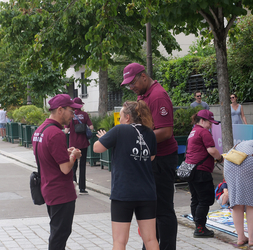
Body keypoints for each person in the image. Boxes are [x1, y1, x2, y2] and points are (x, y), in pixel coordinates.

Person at [121, 63, 178, 249]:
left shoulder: (157, 96)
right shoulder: (143, 95)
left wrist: (136, 137)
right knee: (151, 209)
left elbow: (166, 131)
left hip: (162, 159)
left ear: (143, 76)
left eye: (133, 83)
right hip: (150, 158)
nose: (131, 87)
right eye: (129, 85)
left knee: (163, 210)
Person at [93, 101, 159, 250]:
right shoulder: (150, 134)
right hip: (147, 193)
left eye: (121, 116)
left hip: (123, 193)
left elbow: (97, 148)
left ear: (128, 117)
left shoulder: (119, 130)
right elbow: (151, 158)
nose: (120, 119)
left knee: (120, 241)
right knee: (150, 239)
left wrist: (105, 138)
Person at [32, 94, 82, 250]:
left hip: (48, 188)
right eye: (71, 111)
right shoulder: (56, 133)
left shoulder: (40, 130)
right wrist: (74, 155)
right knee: (60, 235)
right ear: (60, 110)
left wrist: (64, 152)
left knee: (57, 232)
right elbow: (66, 168)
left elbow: (46, 155)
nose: (73, 115)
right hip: (61, 192)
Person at [224, 139, 253, 246]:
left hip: (229, 162)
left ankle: (240, 237)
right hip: (248, 161)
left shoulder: (241, 144)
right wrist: (251, 167)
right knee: (250, 202)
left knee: (236, 202)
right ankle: (251, 238)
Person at [185, 109, 223, 237]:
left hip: (191, 170)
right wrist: (221, 158)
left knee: (195, 199)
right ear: (202, 120)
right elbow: (212, 150)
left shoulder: (193, 131)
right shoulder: (203, 132)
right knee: (205, 199)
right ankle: (200, 228)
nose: (211, 125)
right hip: (201, 171)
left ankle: (198, 225)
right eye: (209, 123)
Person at [64, 97, 94, 195]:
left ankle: (72, 185)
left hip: (73, 144)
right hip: (83, 143)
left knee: (73, 164)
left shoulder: (71, 115)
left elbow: (66, 130)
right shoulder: (85, 115)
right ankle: (82, 187)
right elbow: (91, 127)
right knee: (83, 165)